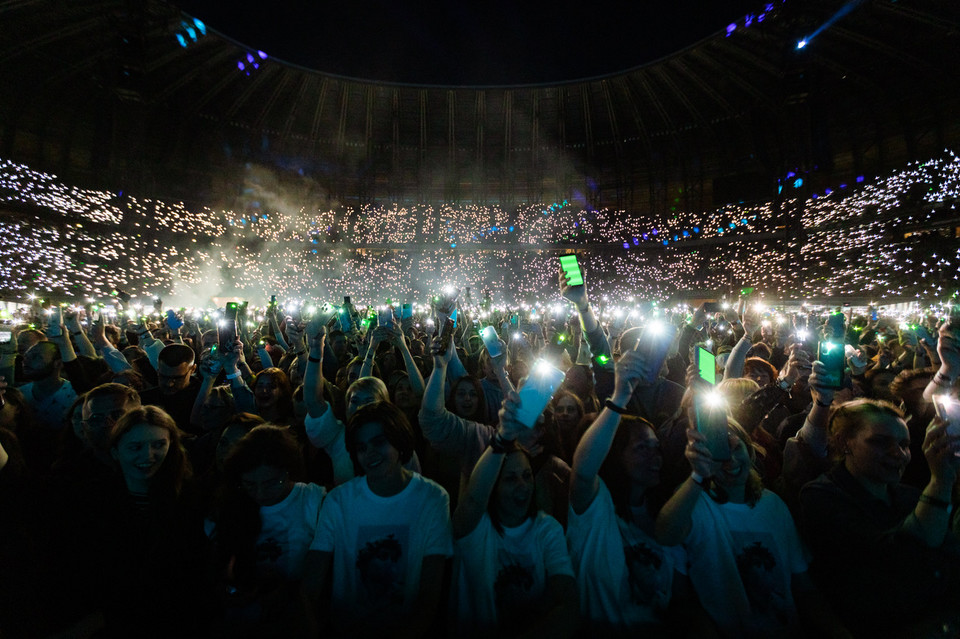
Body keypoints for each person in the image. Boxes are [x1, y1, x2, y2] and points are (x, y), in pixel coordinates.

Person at [655, 404, 848, 638]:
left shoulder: (772, 505)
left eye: (737, 449)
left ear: (750, 451)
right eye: (719, 453)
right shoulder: (693, 503)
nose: (730, 461)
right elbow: (666, 537)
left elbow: (802, 585)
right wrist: (698, 475)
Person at [799, 399, 960, 636]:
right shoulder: (820, 497)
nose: (898, 453)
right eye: (880, 442)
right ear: (844, 442)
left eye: (904, 445)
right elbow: (893, 558)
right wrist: (941, 482)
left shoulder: (910, 496)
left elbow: (947, 560)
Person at [567, 348, 693, 637]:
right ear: (615, 456)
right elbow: (583, 469)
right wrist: (620, 396)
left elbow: (682, 599)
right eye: (641, 448)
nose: (655, 456)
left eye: (656, 448)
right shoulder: (596, 509)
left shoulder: (666, 515)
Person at [301, 401, 452, 638]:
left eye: (379, 442)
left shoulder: (432, 499)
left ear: (399, 442)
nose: (370, 453)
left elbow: (429, 597)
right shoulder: (338, 501)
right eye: (361, 447)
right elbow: (311, 585)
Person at [451, 391, 578, 638]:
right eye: (509, 479)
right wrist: (503, 437)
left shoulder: (547, 529)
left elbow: (569, 606)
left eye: (526, 476)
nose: (522, 486)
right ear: (493, 486)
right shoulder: (475, 529)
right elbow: (474, 499)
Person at [212, 424, 325, 636]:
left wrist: (288, 591)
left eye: (272, 483)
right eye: (251, 484)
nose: (261, 494)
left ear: (288, 470)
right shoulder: (232, 504)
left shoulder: (313, 501)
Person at [17, 341, 77, 432]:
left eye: (36, 357)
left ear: (58, 364)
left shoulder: (74, 395)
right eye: (26, 356)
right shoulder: (20, 395)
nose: (26, 361)